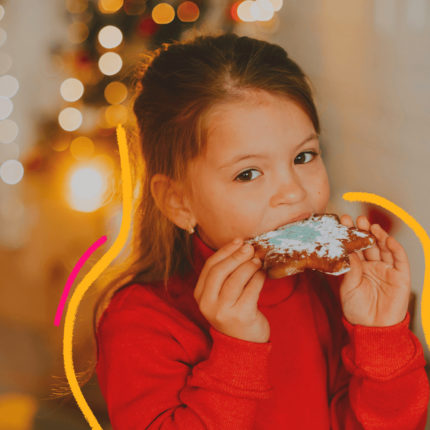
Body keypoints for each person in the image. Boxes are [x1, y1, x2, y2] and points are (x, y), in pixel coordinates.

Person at [94, 32, 429, 429]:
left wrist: (380, 337)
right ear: (178, 201)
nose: (293, 191)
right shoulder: (141, 323)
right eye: (248, 173)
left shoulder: (336, 291)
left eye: (304, 156)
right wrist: (238, 350)